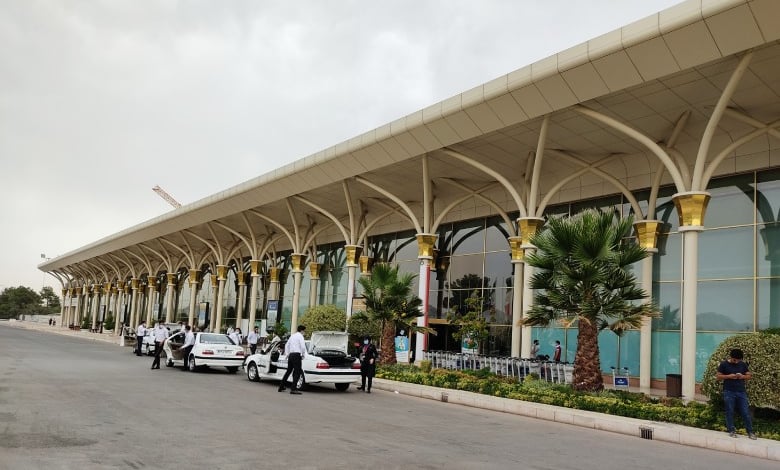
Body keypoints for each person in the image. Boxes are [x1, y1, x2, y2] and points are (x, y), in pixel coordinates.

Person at [716, 348, 757, 439]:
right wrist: (728, 376)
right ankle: (731, 430)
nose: (737, 361)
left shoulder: (742, 364)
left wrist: (742, 376)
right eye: (735, 360)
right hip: (729, 391)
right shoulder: (724, 364)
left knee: (745, 412)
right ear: (731, 357)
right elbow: (718, 377)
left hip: (741, 392)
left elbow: (749, 376)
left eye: (739, 360)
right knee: (729, 411)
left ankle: (750, 432)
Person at [279, 325, 306, 394]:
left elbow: (286, 345)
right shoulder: (300, 336)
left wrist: (287, 354)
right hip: (297, 355)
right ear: (302, 330)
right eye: (304, 331)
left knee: (288, 371)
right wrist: (303, 354)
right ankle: (293, 389)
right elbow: (303, 347)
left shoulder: (292, 336)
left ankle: (281, 386)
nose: (304, 332)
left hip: (291, 355)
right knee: (298, 372)